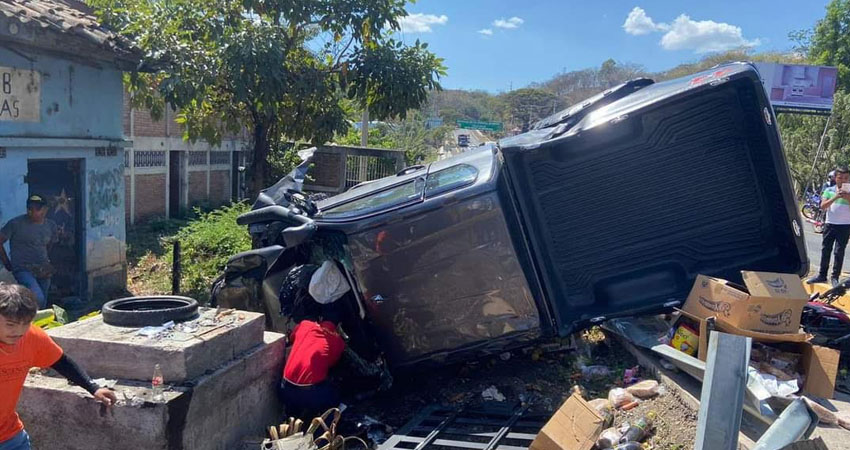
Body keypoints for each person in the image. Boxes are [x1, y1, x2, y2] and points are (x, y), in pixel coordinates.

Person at [0, 283, 117, 450]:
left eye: (25, 324)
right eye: (10, 324)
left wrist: (93, 387)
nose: (18, 332)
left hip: (10, 436)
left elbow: (61, 362)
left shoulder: (32, 337)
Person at [280, 300, 390, 420]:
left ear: (321, 318)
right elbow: (335, 365)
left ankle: (292, 416)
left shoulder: (305, 325)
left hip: (284, 389)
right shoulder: (337, 342)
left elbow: (291, 338)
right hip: (312, 395)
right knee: (340, 395)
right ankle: (331, 423)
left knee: (296, 411)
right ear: (338, 325)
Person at [0, 196, 58, 309]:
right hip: (23, 268)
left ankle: (38, 324)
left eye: (37, 209)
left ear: (45, 209)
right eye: (30, 208)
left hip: (43, 268)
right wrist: (6, 262)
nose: (32, 212)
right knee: (37, 297)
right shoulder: (15, 223)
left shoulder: (50, 225)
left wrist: (48, 262)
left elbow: (51, 245)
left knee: (43, 301)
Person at [808, 166, 850, 287]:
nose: (843, 180)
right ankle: (822, 274)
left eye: (846, 178)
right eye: (840, 177)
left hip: (845, 225)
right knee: (826, 249)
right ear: (835, 178)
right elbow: (823, 206)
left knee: (839, 251)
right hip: (830, 224)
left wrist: (846, 196)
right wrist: (836, 196)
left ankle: (835, 277)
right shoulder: (829, 190)